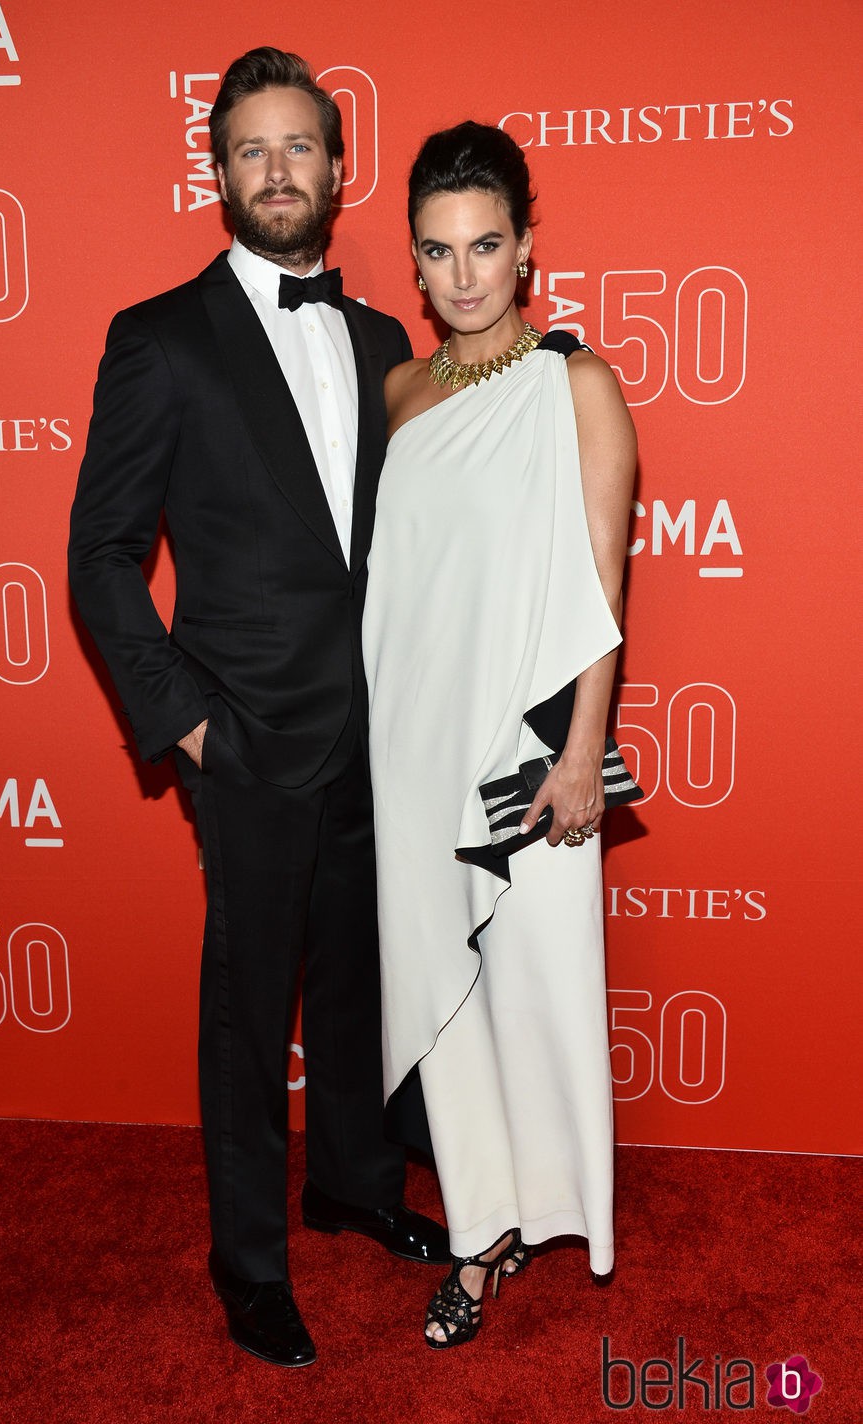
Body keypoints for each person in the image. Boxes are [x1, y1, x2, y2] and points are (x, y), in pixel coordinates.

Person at [68, 47, 446, 1370]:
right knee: (247, 1010)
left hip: (377, 734)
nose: (279, 171)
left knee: (358, 983)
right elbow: (101, 556)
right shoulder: (160, 339)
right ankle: (248, 1264)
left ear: (341, 170)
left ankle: (353, 1182)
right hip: (248, 737)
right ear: (218, 170)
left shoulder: (389, 341)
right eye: (253, 150)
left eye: (302, 148)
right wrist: (185, 722)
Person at [362, 121, 637, 1348]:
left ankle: (557, 1201)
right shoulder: (400, 394)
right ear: (412, 266)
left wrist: (583, 751)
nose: (462, 272)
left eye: (484, 244)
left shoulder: (576, 384)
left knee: (532, 989)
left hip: (528, 746)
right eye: (436, 250)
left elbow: (597, 578)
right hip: (411, 743)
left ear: (524, 248)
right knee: (447, 1005)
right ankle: (480, 1234)